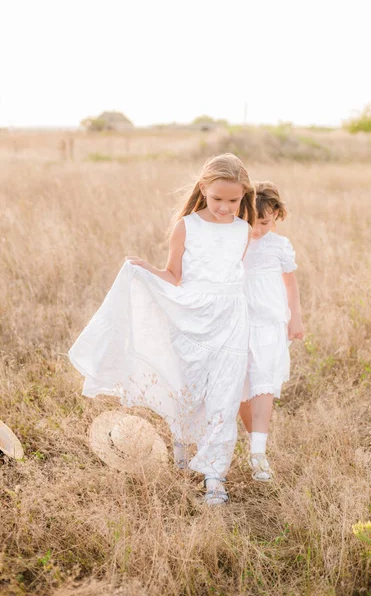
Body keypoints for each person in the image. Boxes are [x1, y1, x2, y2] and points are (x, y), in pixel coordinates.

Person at [69, 153, 255, 505]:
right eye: (217, 199)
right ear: (203, 188)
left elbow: (233, 277)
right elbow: (174, 276)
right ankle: (183, 446)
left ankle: (214, 474)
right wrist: (144, 270)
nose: (225, 207)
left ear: (244, 194)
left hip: (231, 320)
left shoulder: (243, 230)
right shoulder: (187, 225)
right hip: (190, 318)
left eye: (234, 200)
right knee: (187, 388)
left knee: (225, 396)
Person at [239, 181, 304, 481]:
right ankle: (254, 440)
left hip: (269, 320)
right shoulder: (237, 239)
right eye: (252, 221)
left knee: (263, 381)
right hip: (238, 319)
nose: (256, 229)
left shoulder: (279, 245)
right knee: (240, 385)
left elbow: (290, 284)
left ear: (276, 214)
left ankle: (258, 452)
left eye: (263, 222)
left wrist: (296, 319)